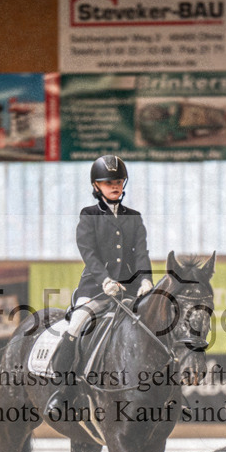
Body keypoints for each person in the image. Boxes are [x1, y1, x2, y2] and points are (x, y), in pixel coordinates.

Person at [44, 155, 153, 417]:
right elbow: (88, 253)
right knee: (76, 325)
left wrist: (146, 279)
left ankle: (164, 394)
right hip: (95, 288)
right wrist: (104, 280)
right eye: (108, 182)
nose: (114, 186)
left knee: (155, 327)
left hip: (128, 290)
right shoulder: (89, 215)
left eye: (118, 181)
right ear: (96, 186)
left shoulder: (134, 218)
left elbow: (141, 253)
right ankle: (64, 391)